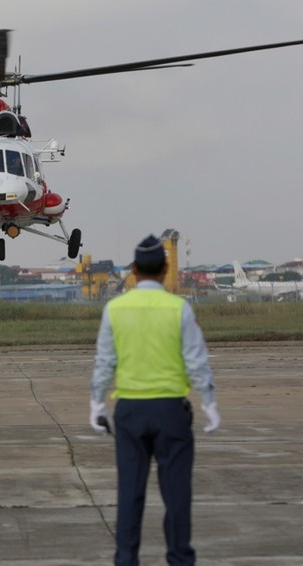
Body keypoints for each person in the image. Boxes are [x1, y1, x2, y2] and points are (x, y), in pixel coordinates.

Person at [89, 235, 220, 566]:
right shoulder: (179, 308)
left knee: (129, 495)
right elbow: (196, 360)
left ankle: (126, 559)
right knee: (177, 497)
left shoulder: (115, 309)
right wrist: (209, 401)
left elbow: (105, 363)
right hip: (171, 412)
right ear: (165, 268)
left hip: (130, 412)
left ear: (133, 270)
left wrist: (97, 403)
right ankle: (179, 559)